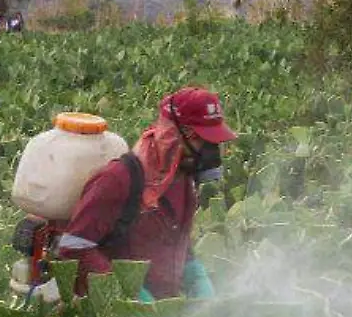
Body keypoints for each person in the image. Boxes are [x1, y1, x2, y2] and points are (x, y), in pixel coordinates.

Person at [58, 87, 235, 300]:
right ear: (175, 136)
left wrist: (193, 272)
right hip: (111, 315)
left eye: (214, 143)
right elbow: (74, 246)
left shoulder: (185, 182)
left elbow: (174, 240)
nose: (210, 152)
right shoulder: (118, 179)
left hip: (162, 310)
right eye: (203, 141)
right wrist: (125, 291)